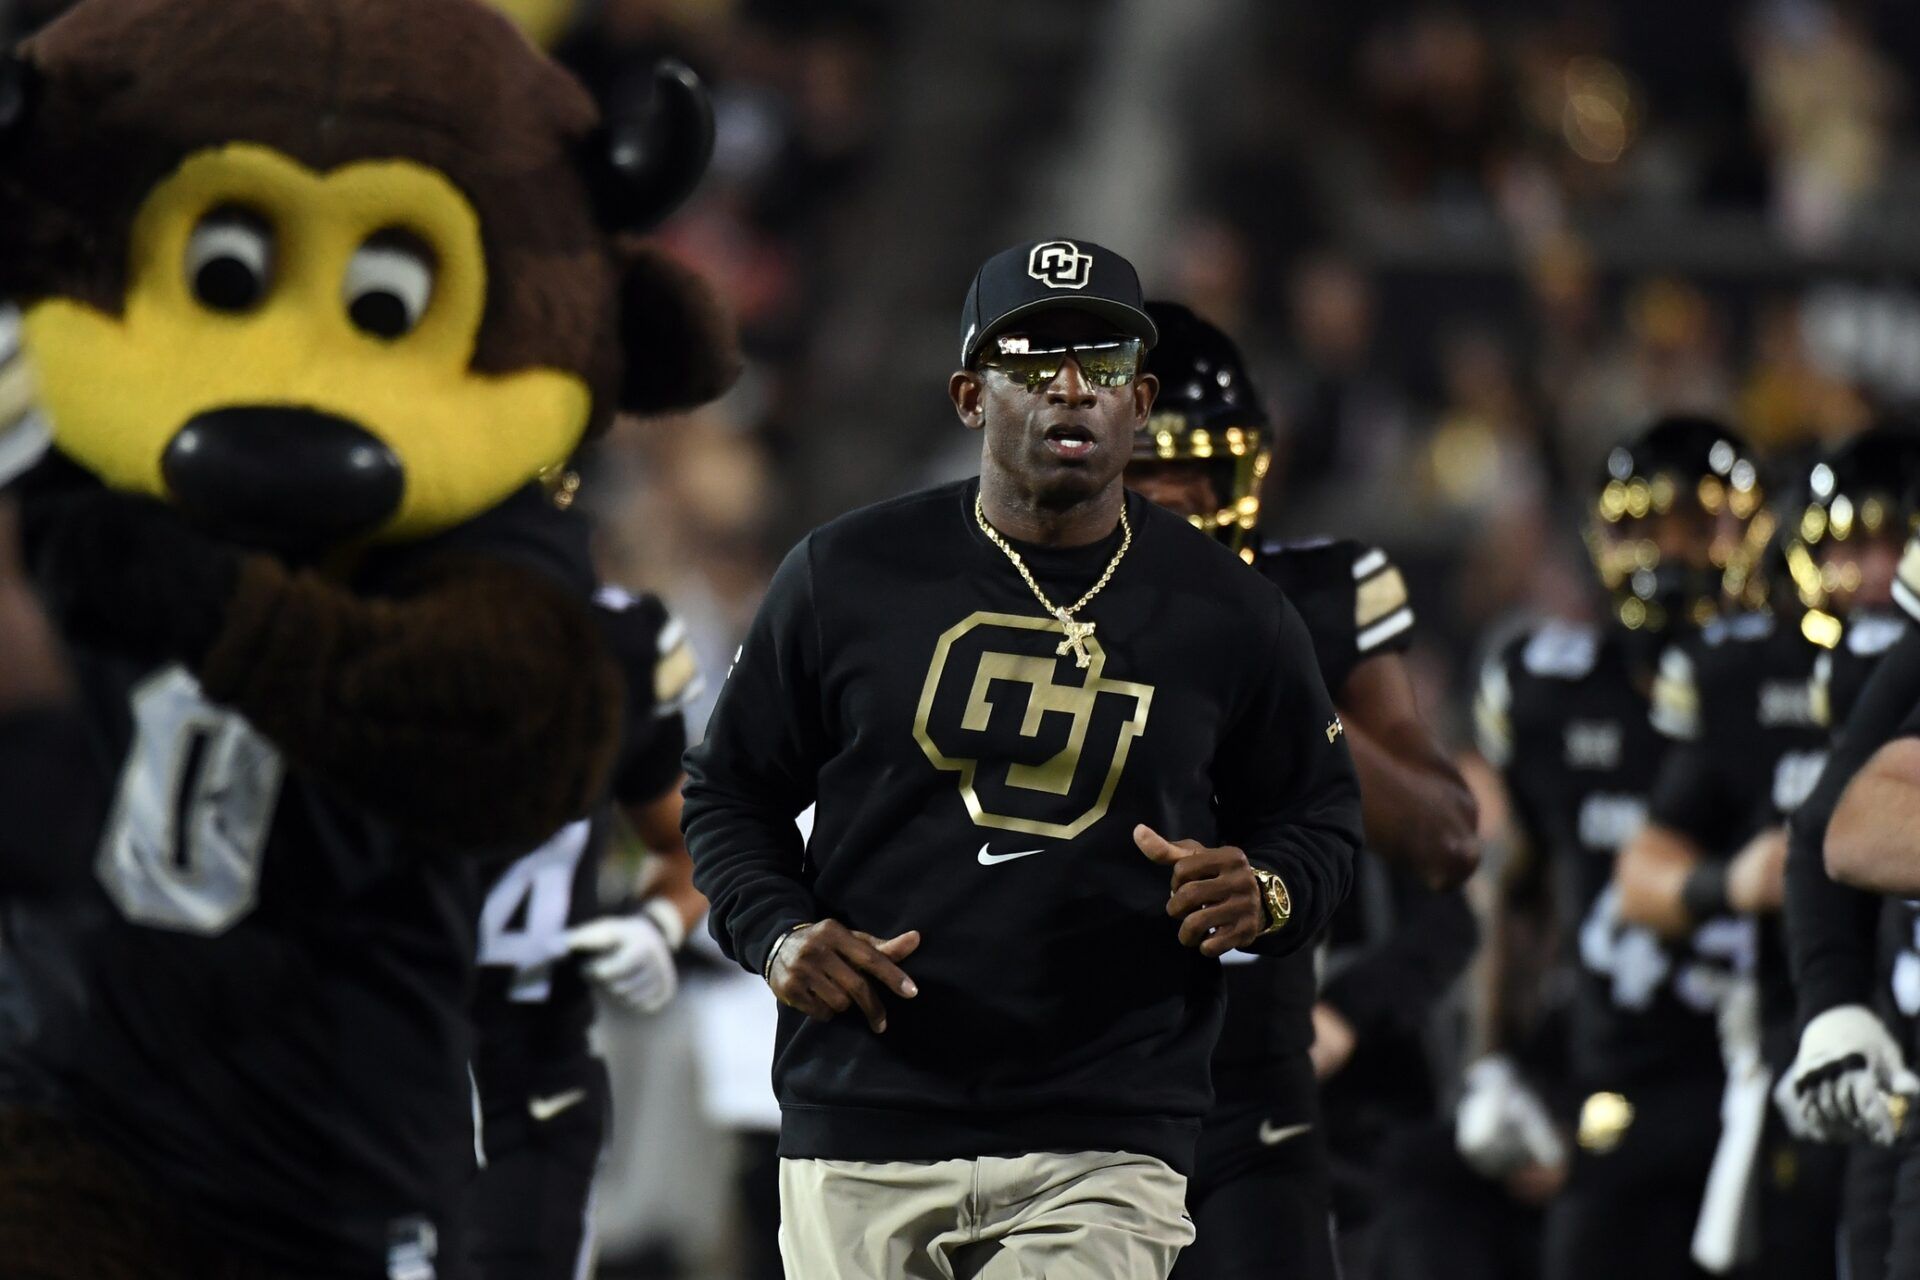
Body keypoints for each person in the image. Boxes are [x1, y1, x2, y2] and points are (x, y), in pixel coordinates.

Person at [684, 238, 1362, 1280]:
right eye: (1032, 361)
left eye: (1100, 363)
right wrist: (778, 934)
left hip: (1105, 1126)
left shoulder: (1235, 614)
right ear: (969, 396)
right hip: (867, 1106)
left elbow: (1320, 821)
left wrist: (1264, 890)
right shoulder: (842, 574)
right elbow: (730, 791)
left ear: (1140, 402)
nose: (1070, 389)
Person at [1122, 301, 1479, 1280]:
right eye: (1138, 469)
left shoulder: (1312, 599)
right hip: (1073, 1065)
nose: (1168, 498)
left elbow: (1445, 836)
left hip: (1252, 1070)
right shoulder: (1010, 608)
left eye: (1192, 468)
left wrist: (1268, 665)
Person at [1612, 427, 1920, 1277]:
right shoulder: (1750, 671)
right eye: (1850, 543)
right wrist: (1734, 881)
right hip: (1804, 1043)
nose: (1877, 571)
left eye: (1898, 540)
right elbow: (1640, 877)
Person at [1473, 415, 1767, 1280]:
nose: (1670, 553)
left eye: (1698, 524)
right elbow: (1518, 890)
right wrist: (1492, 1064)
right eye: (1642, 524)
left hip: (1767, 1078)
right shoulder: (1547, 693)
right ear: (1595, 538)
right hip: (1619, 1088)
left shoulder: (1804, 688)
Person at [467, 585, 707, 1280]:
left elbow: (692, 844)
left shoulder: (619, 640)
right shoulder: (351, 613)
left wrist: (658, 926)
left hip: (528, 1073)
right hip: (365, 1063)